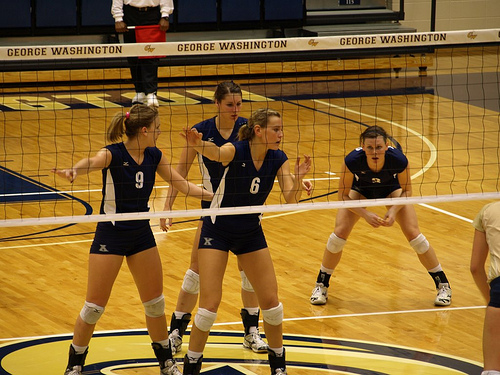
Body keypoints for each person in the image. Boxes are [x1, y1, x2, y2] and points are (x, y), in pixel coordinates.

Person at [53, 104, 212, 375]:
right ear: (144, 130)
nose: (160, 132)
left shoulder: (154, 156)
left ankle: (165, 362)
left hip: (141, 235)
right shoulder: (112, 154)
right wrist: (74, 172)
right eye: (158, 128)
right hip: (111, 234)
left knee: (155, 304)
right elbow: (91, 162)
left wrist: (216, 197)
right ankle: (74, 364)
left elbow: (182, 184)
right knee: (93, 307)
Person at [180, 108, 311, 375]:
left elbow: (291, 198)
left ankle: (278, 367)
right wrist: (197, 144)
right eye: (276, 129)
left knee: (272, 304)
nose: (281, 134)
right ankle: (192, 365)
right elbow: (215, 153)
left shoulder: (278, 158)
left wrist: (297, 178)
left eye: (281, 129)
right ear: (259, 130)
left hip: (250, 231)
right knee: (209, 306)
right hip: (217, 230)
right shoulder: (235, 150)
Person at [159, 81, 269, 355]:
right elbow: (179, 173)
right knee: (195, 271)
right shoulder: (201, 132)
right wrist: (167, 207)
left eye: (239, 104)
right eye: (230, 104)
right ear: (217, 104)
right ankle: (175, 332)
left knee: (249, 274)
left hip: (244, 211)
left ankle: (251, 332)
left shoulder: (248, 130)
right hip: (212, 211)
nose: (235, 110)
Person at [310, 125, 452, 307]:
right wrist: (365, 213)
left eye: (378, 147)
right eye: (369, 147)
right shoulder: (352, 161)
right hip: (360, 190)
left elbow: (408, 191)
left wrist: (393, 210)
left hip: (391, 190)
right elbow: (343, 197)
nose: (374, 151)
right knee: (339, 234)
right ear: (362, 147)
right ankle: (321, 285)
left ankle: (443, 285)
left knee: (414, 235)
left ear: (386, 146)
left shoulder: (398, 160)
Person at [112, 0, 173, 107]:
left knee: (150, 55)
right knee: (133, 57)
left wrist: (165, 16)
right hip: (130, 14)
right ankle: (139, 91)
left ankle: (151, 92)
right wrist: (118, 18)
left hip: (152, 14)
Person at [470, 201, 500, 375]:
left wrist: (491, 301)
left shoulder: (488, 211)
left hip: (499, 294)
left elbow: (475, 268)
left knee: (492, 371)